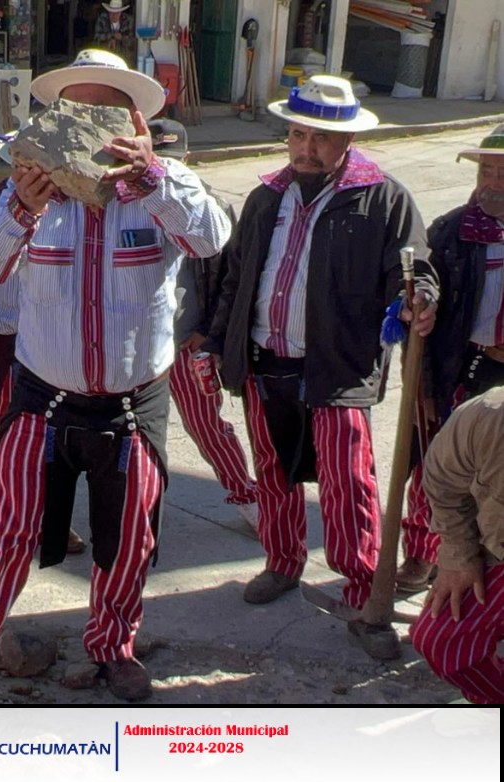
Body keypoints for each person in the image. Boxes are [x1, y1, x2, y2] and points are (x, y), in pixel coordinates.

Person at [0, 49, 230, 703]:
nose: (87, 125)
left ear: (134, 122)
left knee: (129, 539)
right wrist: (20, 212)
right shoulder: (24, 192)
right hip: (43, 400)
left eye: (105, 111)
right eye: (74, 110)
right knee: (5, 534)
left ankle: (113, 648)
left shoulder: (166, 182)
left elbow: (209, 240)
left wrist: (152, 179)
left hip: (132, 404)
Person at [205, 75, 439, 660]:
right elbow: (236, 278)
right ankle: (282, 562)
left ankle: (364, 594)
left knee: (347, 484)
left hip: (337, 368)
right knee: (274, 473)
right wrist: (219, 346)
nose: (306, 148)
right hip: (265, 362)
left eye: (321, 138)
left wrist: (418, 296)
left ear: (348, 140)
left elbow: (414, 268)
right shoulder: (266, 197)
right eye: (298, 134)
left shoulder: (383, 198)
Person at [0, 135, 87, 554]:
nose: (27, 170)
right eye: (19, 161)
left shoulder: (75, 206)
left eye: (36, 161)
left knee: (56, 443)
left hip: (60, 345)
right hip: (7, 349)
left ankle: (48, 522)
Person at [397, 125, 504, 593]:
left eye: (503, 173)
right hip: (460, 366)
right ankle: (422, 552)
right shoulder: (452, 231)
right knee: (435, 464)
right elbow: (423, 293)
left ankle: (479, 560)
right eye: (486, 171)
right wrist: (420, 385)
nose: (492, 183)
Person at [150, 118, 259, 531]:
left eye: (173, 161)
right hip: (137, 345)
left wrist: (209, 334)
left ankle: (246, 495)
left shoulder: (210, 206)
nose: (165, 169)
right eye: (157, 160)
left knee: (206, 426)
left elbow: (230, 278)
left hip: (187, 343)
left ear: (188, 159)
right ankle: (135, 504)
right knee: (131, 432)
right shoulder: (124, 206)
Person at [410, 386, 504, 705]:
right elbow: (443, 481)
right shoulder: (488, 415)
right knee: (442, 641)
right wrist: (459, 556)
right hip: (498, 549)